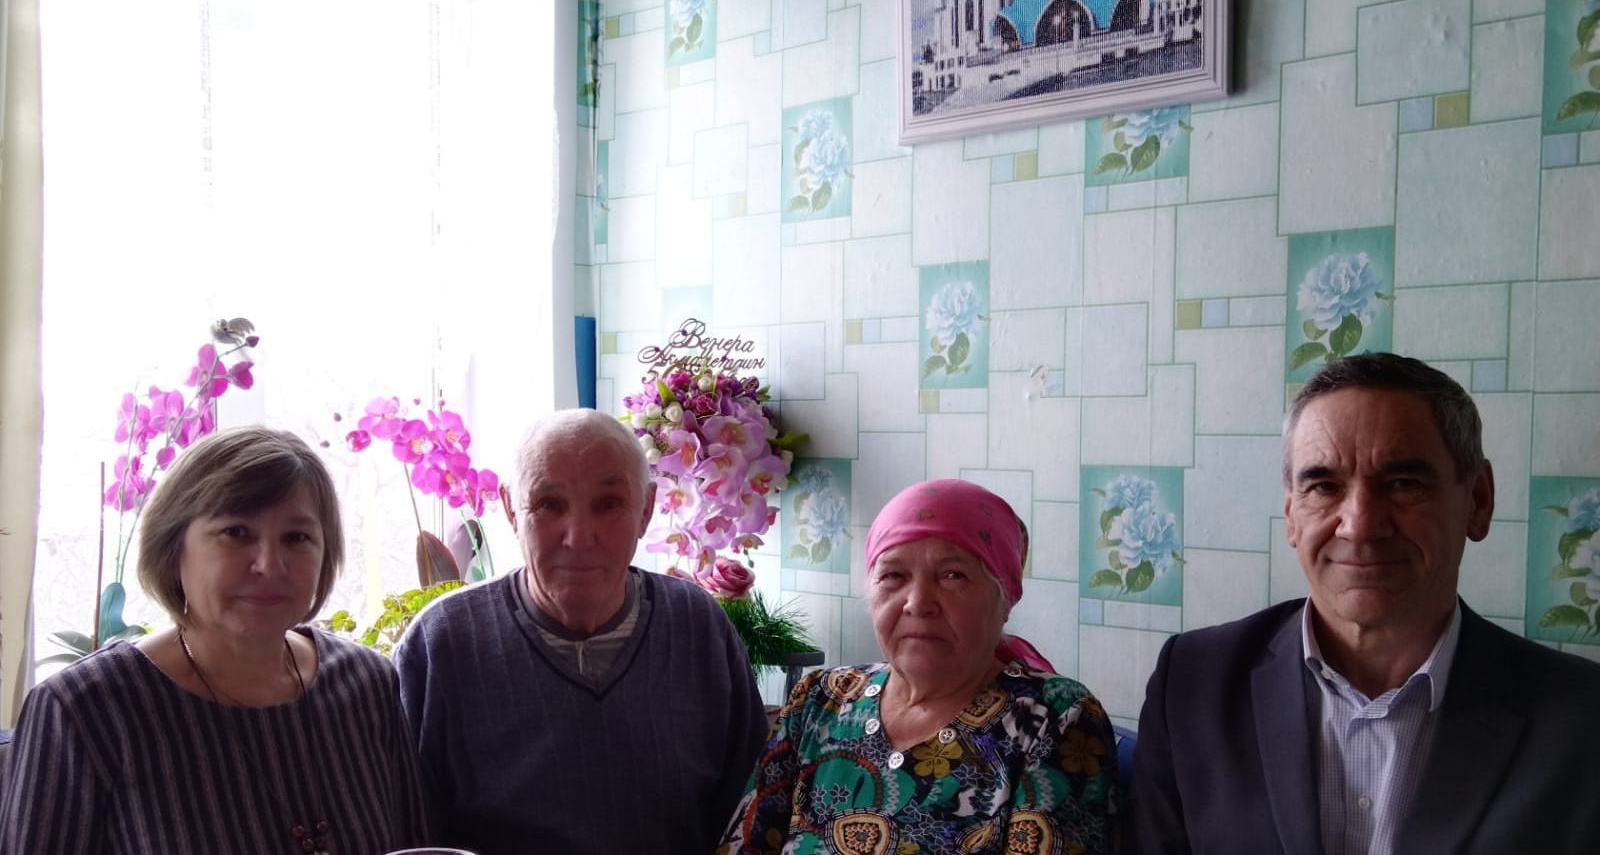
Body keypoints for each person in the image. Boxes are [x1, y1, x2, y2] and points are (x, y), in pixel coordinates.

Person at [1126, 353, 1600, 854]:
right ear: (1291, 515)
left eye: (1403, 484)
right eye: (1323, 486)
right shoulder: (1192, 684)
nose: (1360, 525)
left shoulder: (1583, 720)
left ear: (1478, 500)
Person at [0, 426, 429, 855]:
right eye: (236, 532)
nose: (270, 565)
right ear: (172, 548)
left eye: (296, 538)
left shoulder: (367, 684)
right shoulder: (83, 711)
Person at [393, 407, 768, 855]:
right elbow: (405, 830)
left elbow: (754, 813)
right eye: (549, 505)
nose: (578, 536)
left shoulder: (698, 628)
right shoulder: (441, 645)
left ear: (646, 510)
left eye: (608, 504)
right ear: (511, 509)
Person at [719, 478, 1118, 855]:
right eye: (893, 575)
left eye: (953, 575)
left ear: (1004, 598)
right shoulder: (818, 700)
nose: (918, 602)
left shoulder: (1054, 718)